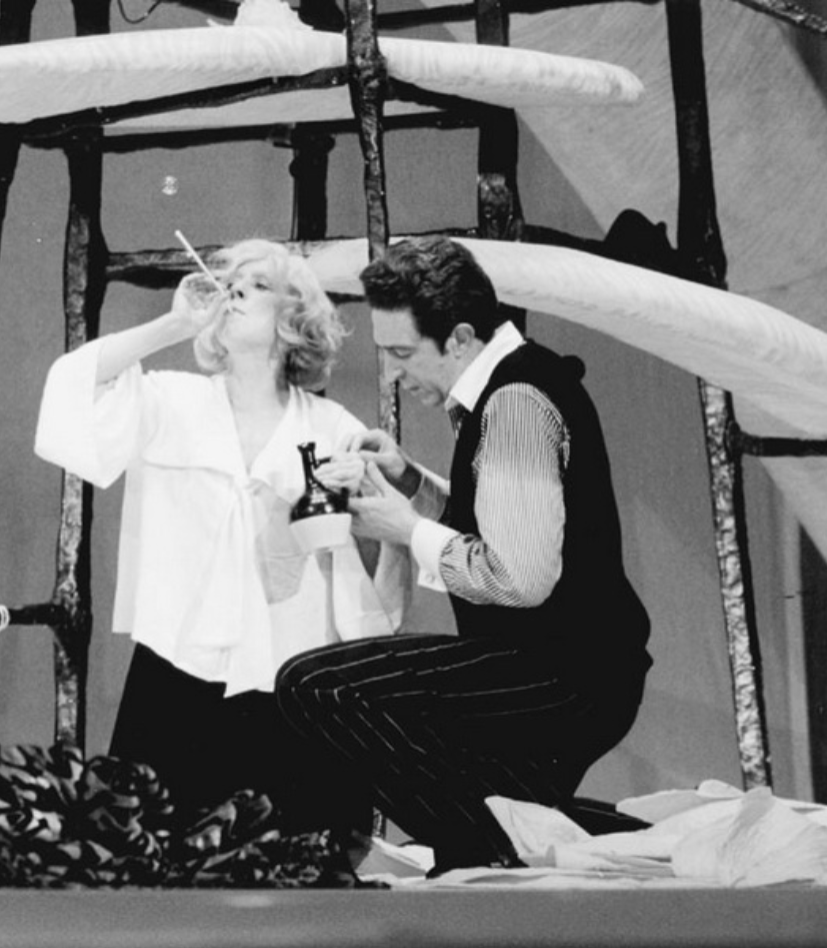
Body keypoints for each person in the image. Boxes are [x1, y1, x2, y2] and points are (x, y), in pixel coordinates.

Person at [277, 235, 652, 873]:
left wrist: (405, 530)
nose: (392, 374)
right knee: (495, 799)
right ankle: (550, 842)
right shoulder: (513, 386)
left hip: (562, 677)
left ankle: (492, 852)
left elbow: (519, 578)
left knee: (317, 687)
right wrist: (411, 483)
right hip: (572, 669)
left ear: (458, 338)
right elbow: (508, 523)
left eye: (401, 353)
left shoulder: (514, 402)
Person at [34, 238, 407, 831]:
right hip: (177, 672)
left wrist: (337, 501)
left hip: (287, 682)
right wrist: (174, 324)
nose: (234, 291)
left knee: (293, 855)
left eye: (257, 285)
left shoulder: (332, 428)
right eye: (231, 282)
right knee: (147, 851)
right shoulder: (169, 400)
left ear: (294, 317)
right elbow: (73, 388)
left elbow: (358, 571)